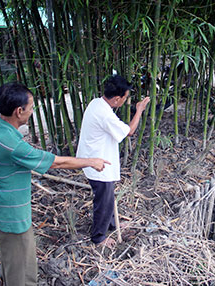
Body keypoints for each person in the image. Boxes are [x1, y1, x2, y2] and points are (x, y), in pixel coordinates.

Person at [0, 82, 110, 286]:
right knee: (22, 269)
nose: (32, 112)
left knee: (11, 260)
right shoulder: (11, 145)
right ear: (19, 111)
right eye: (31, 108)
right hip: (13, 215)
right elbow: (56, 162)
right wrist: (91, 161)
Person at [76, 74, 150, 247]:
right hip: (98, 164)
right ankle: (99, 237)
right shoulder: (105, 115)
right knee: (103, 200)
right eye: (125, 98)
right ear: (117, 99)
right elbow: (129, 131)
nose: (126, 101)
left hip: (93, 157)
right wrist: (139, 110)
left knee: (107, 197)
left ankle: (111, 224)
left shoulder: (96, 103)